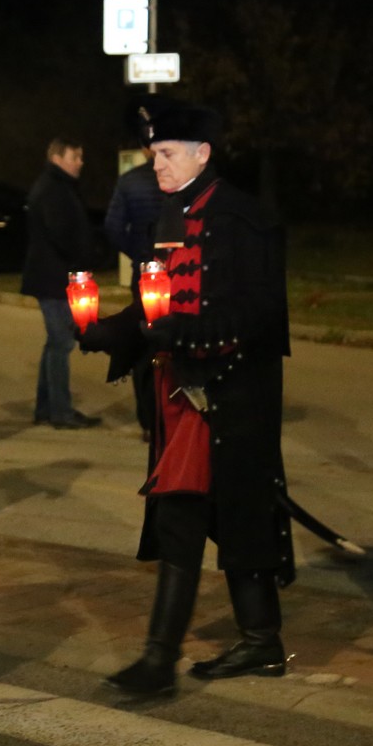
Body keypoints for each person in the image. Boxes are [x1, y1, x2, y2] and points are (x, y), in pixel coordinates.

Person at [79, 101, 294, 695]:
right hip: (181, 396)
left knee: (205, 516)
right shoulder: (168, 216)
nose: (157, 165)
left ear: (203, 154)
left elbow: (258, 312)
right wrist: (107, 332)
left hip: (231, 396)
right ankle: (252, 641)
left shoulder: (244, 218)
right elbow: (154, 307)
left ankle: (168, 658)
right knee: (205, 515)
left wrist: (188, 335)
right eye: (153, 155)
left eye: (168, 154)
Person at [21, 138, 101, 430]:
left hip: (54, 276)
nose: (80, 162)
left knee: (56, 342)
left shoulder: (59, 186)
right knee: (62, 342)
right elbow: (62, 234)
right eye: (75, 156)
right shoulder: (53, 189)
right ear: (57, 158)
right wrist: (83, 259)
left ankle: (46, 408)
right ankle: (60, 411)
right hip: (54, 278)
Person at [103, 141, 164, 439]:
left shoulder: (129, 181)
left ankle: (149, 421)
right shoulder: (184, 178)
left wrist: (138, 254)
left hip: (145, 277)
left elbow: (113, 228)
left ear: (144, 148)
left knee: (145, 346)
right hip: (181, 274)